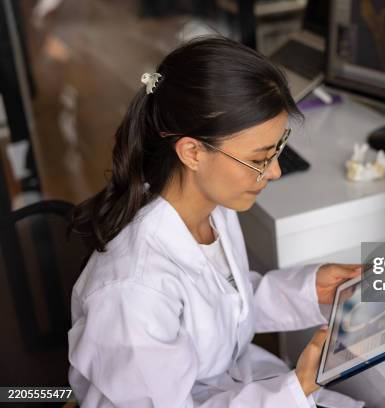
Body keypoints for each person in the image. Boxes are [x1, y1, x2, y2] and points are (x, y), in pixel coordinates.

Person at [67, 36, 364, 407]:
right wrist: (297, 388)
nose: (273, 172)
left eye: (278, 150)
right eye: (259, 159)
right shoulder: (134, 289)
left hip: (233, 384)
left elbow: (222, 302)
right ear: (192, 152)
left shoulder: (210, 208)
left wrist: (308, 289)